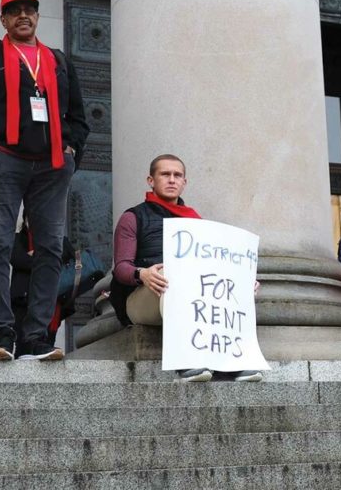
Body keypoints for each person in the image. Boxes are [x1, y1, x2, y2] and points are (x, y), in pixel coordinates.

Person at [0, 0, 89, 361]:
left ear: (38, 16)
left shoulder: (57, 61)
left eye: (29, 10)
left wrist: (72, 149)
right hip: (5, 161)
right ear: (3, 19)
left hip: (52, 166)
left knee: (49, 249)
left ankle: (37, 337)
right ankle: (1, 335)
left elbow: (77, 115)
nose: (22, 16)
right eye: (14, 11)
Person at [110, 155, 263, 382]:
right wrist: (142, 274)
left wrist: (241, 280)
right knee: (174, 276)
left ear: (184, 182)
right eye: (165, 174)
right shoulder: (133, 217)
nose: (172, 180)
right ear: (150, 180)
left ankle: (232, 362)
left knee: (224, 285)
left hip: (181, 292)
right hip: (142, 298)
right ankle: (185, 361)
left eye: (177, 175)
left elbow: (216, 268)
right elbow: (121, 268)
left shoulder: (197, 222)